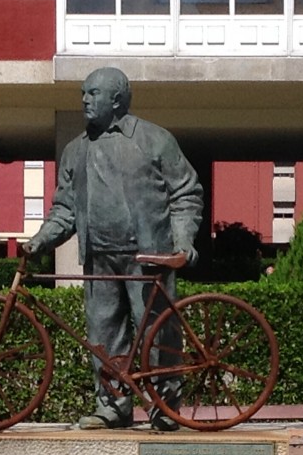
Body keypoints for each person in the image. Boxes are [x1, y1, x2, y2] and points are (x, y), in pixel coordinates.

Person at [23, 67, 204, 431]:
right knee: (103, 336)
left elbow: (186, 193)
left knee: (157, 336)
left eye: (93, 93)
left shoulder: (155, 140)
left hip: (148, 258)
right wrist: (41, 240)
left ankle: (164, 408)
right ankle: (112, 407)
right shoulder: (75, 150)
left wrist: (183, 241)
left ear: (117, 100)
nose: (85, 100)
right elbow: (65, 209)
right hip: (99, 258)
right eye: (83, 93)